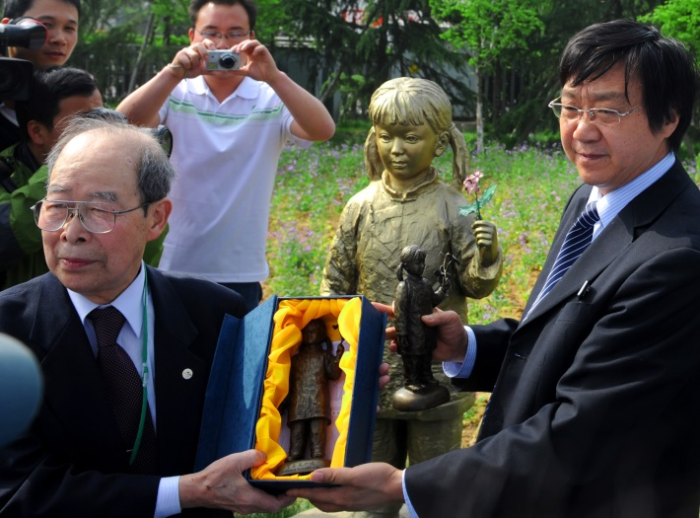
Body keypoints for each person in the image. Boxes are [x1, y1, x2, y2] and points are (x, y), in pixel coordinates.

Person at [290, 20, 700, 517]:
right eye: (571, 107)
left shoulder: (677, 258)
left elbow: (583, 431)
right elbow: (564, 340)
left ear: (668, 118)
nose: (581, 130)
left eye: (607, 110)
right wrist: (467, 346)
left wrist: (405, 487)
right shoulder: (593, 198)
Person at [0, 117, 295, 517]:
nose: (71, 231)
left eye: (98, 210)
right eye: (58, 207)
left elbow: (267, 421)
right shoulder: (8, 331)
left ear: (156, 218)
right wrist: (186, 493)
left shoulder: (217, 314)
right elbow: (18, 492)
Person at [320, 76, 502, 517]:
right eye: (387, 137)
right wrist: (332, 344)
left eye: (411, 138)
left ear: (439, 144)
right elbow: (336, 282)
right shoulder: (361, 206)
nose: (397, 149)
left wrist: (487, 254)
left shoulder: (454, 207)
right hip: (373, 372)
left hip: (436, 374)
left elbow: (474, 286)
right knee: (369, 491)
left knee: (434, 489)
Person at [116, 0, 335, 313]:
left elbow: (322, 130)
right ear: (192, 36)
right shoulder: (176, 91)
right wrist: (173, 72)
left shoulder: (270, 97)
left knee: (233, 347)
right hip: (170, 263)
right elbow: (122, 124)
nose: (222, 44)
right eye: (211, 33)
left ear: (251, 38)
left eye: (235, 34)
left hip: (240, 269)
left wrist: (274, 76)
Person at [0, 66, 101, 290]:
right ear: (37, 132)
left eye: (99, 118)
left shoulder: (106, 175)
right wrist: (67, 167)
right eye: (81, 124)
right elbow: (5, 236)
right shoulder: (6, 172)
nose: (96, 132)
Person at [0, 0, 81, 149]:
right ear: (7, 26)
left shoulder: (79, 101)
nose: (60, 39)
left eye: (69, 28)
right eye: (46, 25)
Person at [283, 318, 344, 473]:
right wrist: (284, 401)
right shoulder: (295, 359)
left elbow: (334, 374)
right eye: (307, 331)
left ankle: (317, 455)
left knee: (317, 433)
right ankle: (294, 456)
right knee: (297, 434)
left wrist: (338, 357)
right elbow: (287, 383)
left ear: (322, 334)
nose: (310, 334)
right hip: (298, 402)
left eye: (315, 331)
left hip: (318, 401)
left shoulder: (324, 356)